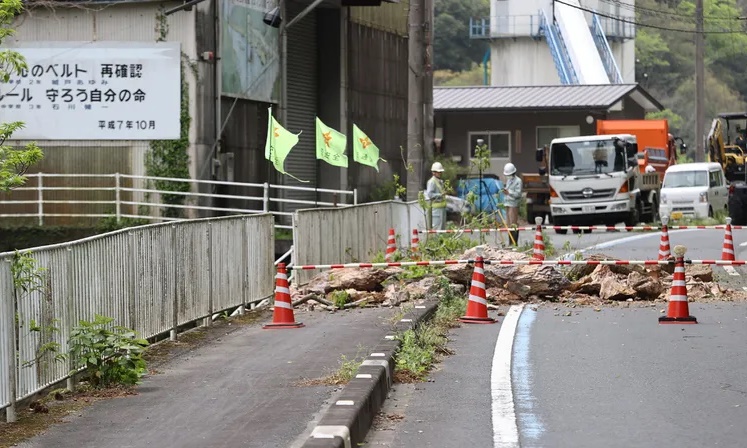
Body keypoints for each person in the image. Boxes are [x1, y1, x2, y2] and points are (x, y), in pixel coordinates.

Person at [502, 162, 523, 246]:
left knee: (513, 223)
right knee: (509, 224)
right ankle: (510, 242)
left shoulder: (518, 181)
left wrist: (509, 192)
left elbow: (518, 194)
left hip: (513, 204)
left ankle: (514, 242)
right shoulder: (509, 180)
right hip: (507, 203)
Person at [424, 162, 447, 230]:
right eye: (438, 172)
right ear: (433, 172)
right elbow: (430, 194)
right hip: (436, 210)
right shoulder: (432, 182)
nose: (440, 173)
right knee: (437, 230)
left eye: (440, 172)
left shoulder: (440, 181)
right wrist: (440, 195)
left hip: (442, 209)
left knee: (442, 230)